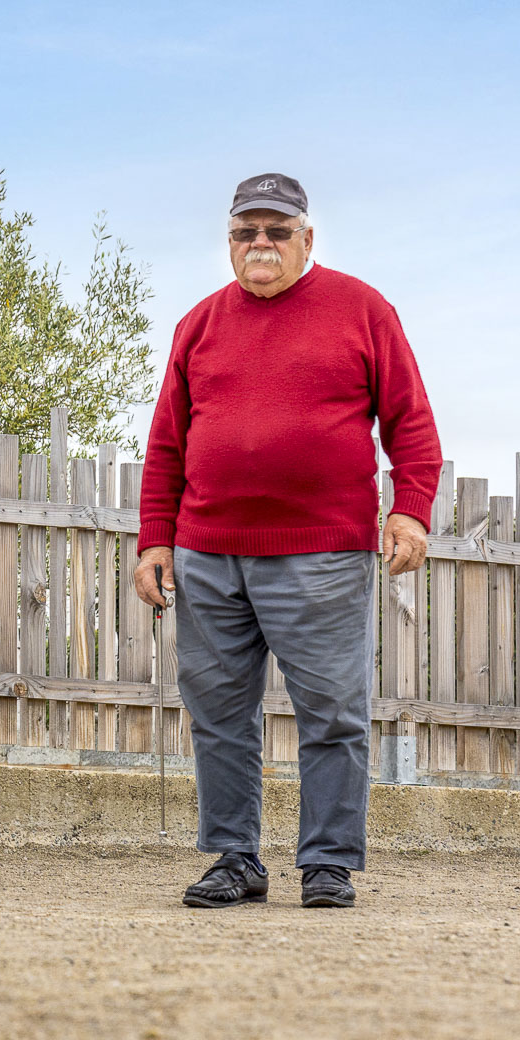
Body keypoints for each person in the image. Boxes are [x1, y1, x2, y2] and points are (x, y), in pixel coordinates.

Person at [135, 174, 442, 909]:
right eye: (246, 233)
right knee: (217, 714)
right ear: (230, 242)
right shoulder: (199, 324)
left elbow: (411, 422)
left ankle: (327, 864)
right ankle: (235, 859)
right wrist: (155, 539)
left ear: (308, 238)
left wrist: (411, 510)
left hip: (321, 552)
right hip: (208, 552)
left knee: (332, 713)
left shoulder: (364, 310)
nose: (260, 245)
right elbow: (167, 445)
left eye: (277, 231)